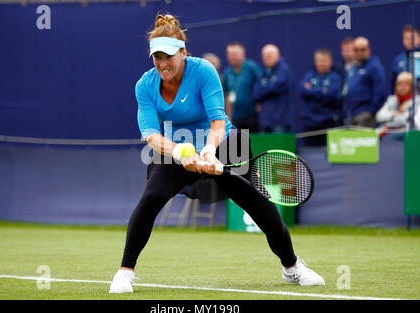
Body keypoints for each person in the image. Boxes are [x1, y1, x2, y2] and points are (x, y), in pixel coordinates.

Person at [109, 14, 325, 294]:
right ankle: (125, 272)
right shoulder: (145, 85)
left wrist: (210, 152)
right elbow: (151, 135)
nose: (163, 64)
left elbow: (218, 122)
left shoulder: (204, 71)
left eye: (169, 56)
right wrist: (182, 153)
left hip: (222, 142)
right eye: (156, 57)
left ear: (183, 53)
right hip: (176, 148)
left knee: (258, 203)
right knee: (151, 197)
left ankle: (292, 267)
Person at [299, 49, 342, 146]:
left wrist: (312, 91)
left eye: (324, 61)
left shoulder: (335, 77)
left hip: (327, 123)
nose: (321, 64)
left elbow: (333, 95)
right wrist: (322, 91)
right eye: (319, 61)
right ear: (315, 62)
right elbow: (302, 91)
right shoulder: (309, 76)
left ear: (330, 62)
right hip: (309, 123)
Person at [342, 36, 387, 127]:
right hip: (350, 115)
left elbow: (380, 91)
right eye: (356, 50)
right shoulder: (353, 68)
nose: (359, 53)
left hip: (364, 116)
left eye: (362, 50)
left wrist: (371, 112)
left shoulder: (374, 67)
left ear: (368, 50)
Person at [223, 41, 261, 133]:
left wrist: (259, 107)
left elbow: (261, 87)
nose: (231, 57)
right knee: (239, 145)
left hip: (252, 115)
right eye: (229, 54)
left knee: (253, 143)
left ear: (243, 55)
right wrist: (228, 116)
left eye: (234, 54)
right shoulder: (227, 73)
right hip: (235, 117)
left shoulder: (252, 68)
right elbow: (227, 95)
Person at [252, 44, 291, 133]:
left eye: (269, 56)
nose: (266, 58)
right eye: (264, 56)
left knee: (279, 146)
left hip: (280, 119)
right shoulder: (263, 72)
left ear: (278, 55)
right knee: (266, 146)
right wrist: (267, 89)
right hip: (265, 119)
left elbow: (276, 87)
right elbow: (255, 93)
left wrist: (263, 90)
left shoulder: (283, 69)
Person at [376, 71, 420, 137]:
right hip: (388, 134)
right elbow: (379, 116)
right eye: (399, 85)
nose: (402, 88)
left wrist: (388, 122)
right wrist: (393, 115)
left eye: (405, 85)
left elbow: (409, 119)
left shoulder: (417, 101)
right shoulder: (391, 99)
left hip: (407, 135)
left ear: (412, 87)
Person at [391, 25, 420, 94]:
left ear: (419, 38)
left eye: (413, 38)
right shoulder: (398, 60)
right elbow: (393, 85)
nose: (410, 41)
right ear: (403, 40)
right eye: (407, 38)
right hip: (403, 101)